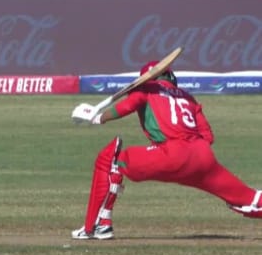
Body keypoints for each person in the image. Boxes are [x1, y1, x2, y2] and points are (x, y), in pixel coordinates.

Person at [71, 60, 262, 240]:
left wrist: (96, 118)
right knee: (247, 197)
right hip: (203, 157)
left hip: (172, 154)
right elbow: (208, 137)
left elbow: (128, 106)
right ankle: (99, 225)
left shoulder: (147, 89)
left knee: (111, 160)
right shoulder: (188, 97)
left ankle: (97, 226)